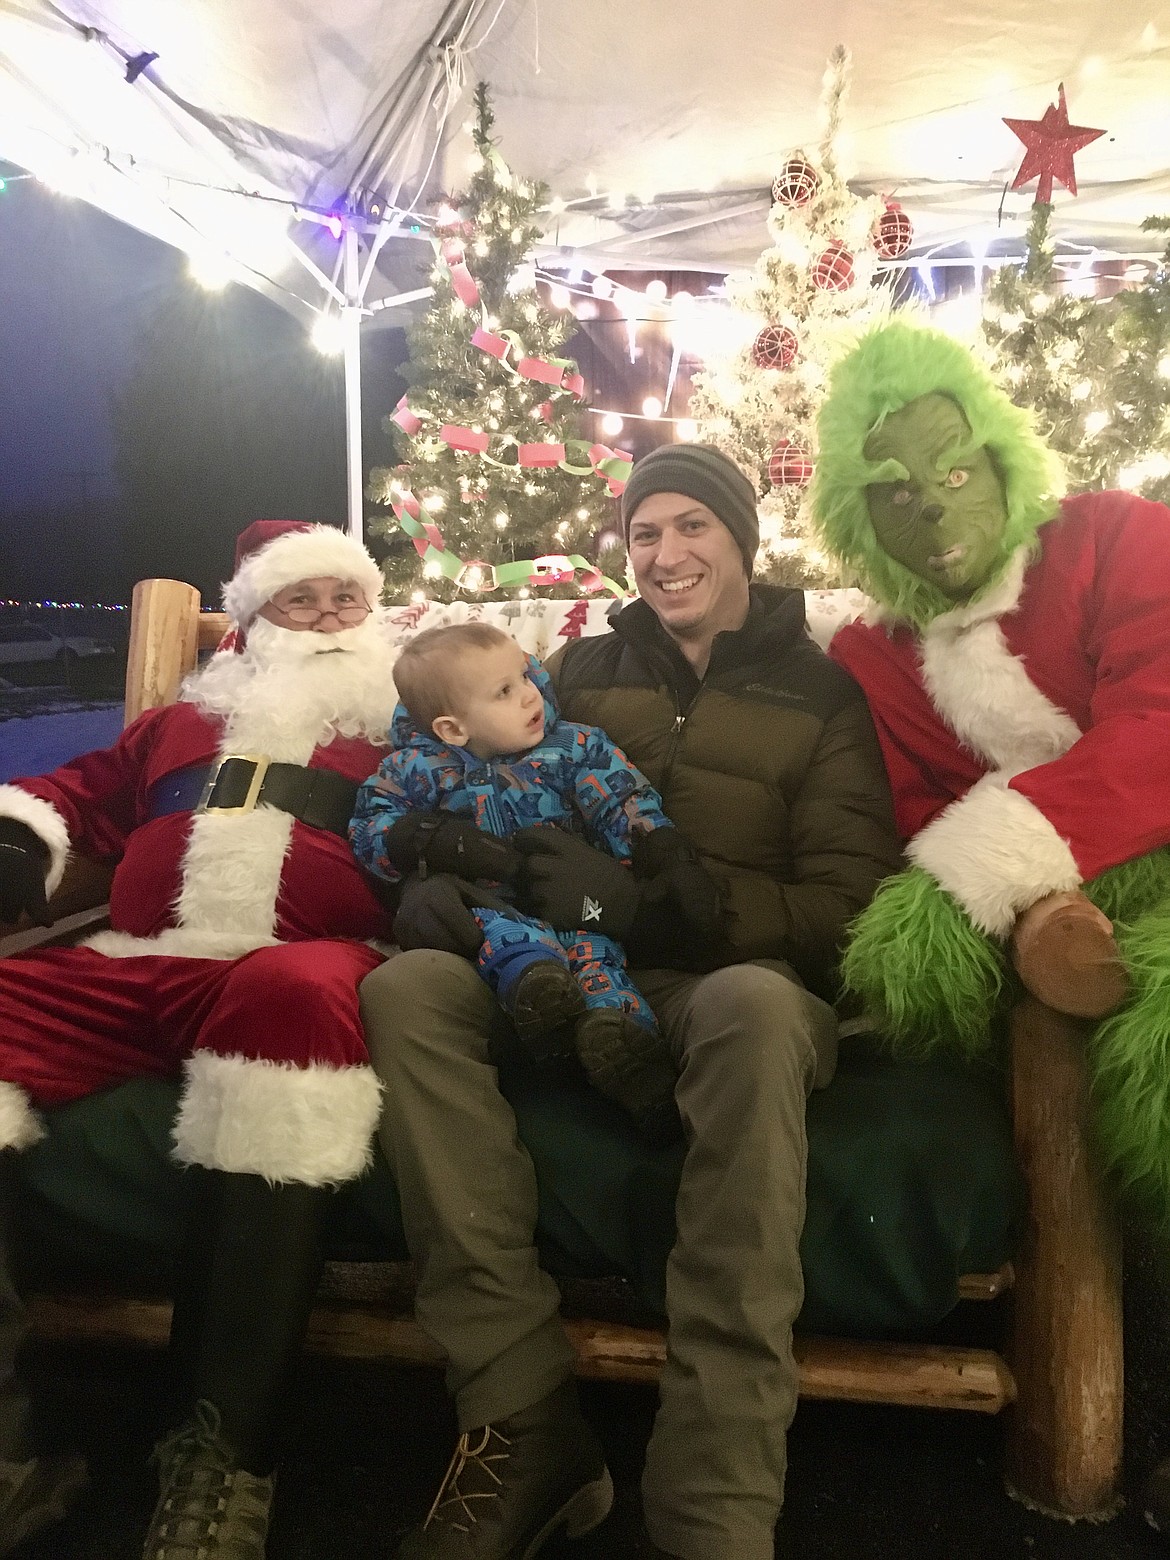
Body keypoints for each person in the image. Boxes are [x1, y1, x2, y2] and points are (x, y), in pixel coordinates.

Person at [360, 443, 903, 1559]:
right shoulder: (581, 670)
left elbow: (846, 911)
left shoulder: (821, 692)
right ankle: (518, 1418)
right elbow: (458, 766)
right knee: (411, 989)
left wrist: (652, 916)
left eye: (692, 526)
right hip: (554, 960)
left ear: (741, 539)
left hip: (736, 983)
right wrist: (435, 884)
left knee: (752, 1012)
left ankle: (715, 1496)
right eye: (645, 532)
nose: (666, 554)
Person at [807, 319, 1170, 1534]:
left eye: (955, 474)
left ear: (1003, 456)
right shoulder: (875, 655)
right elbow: (914, 809)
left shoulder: (1120, 535)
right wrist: (1022, 900)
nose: (938, 513)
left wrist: (993, 860)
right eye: (897, 497)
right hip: (1053, 908)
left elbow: (1162, 720)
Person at [0, 520, 400, 1559]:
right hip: (144, 956)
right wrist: (15, 843)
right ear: (253, 619)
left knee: (294, 1000)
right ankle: (10, 1457)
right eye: (296, 602)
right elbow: (66, 799)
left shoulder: (403, 715)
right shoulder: (180, 725)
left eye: (343, 600)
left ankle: (220, 1457)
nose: (323, 621)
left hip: (304, 958)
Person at [350, 619, 710, 1145]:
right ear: (452, 728)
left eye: (524, 676)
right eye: (504, 692)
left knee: (600, 965)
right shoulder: (415, 768)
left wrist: (664, 850)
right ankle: (540, 1001)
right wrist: (421, 839)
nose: (529, 696)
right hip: (491, 906)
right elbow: (371, 825)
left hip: (579, 904)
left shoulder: (573, 747)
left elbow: (623, 800)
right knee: (510, 941)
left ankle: (628, 1057)